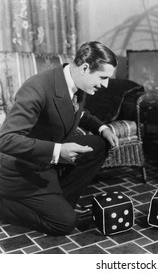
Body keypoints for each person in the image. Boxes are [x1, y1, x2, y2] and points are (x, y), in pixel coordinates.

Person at [0, 41, 120, 236]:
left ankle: (61, 200)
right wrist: (57, 151)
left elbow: (79, 113)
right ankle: (4, 204)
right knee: (65, 223)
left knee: (100, 144)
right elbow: (6, 139)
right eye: (103, 77)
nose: (105, 85)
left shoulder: (75, 82)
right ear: (84, 68)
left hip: (46, 163)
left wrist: (102, 128)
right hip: (21, 172)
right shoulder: (37, 88)